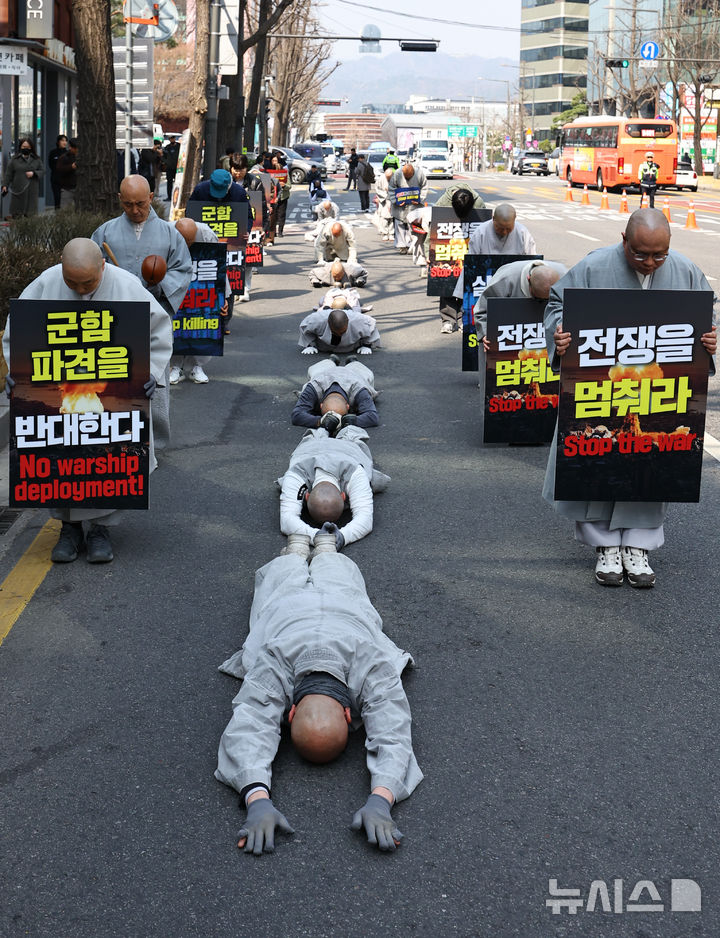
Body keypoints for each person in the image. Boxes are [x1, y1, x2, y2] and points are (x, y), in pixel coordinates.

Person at [543, 209, 716, 588]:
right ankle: (605, 546)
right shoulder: (593, 266)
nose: (651, 263)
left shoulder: (686, 271)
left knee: (650, 463)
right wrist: (557, 336)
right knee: (599, 458)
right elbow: (556, 306)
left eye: (660, 255)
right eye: (640, 254)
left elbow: (704, 319)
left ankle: (639, 547)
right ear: (624, 239)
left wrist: (708, 343)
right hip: (603, 384)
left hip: (656, 388)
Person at [215, 549, 422, 854]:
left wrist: (257, 796)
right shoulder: (371, 665)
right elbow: (393, 732)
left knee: (293, 569)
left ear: (293, 710)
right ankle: (317, 549)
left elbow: (251, 725)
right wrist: (381, 796)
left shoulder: (275, 662)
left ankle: (302, 550)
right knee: (330, 566)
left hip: (304, 610)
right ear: (348, 714)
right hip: (322, 608)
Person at [4, 238, 172, 563]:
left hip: (107, 395)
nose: (81, 292)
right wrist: (19, 372)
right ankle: (68, 528)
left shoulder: (127, 286)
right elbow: (17, 334)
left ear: (103, 267)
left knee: (105, 457)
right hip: (60, 393)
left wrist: (149, 372)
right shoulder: (44, 284)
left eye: (89, 283)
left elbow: (159, 331)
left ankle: (100, 529)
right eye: (72, 283)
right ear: (61, 269)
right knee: (60, 457)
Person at [91, 175, 192, 449]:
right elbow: (89, 270)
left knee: (153, 375)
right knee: (111, 376)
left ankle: (154, 441)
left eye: (140, 204)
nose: (135, 210)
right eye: (127, 205)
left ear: (151, 198)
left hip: (153, 316)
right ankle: (111, 434)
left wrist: (160, 284)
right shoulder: (105, 233)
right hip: (112, 317)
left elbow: (183, 270)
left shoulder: (170, 234)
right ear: (119, 201)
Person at [278, 424, 388, 547]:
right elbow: (364, 519)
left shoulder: (355, 473)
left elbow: (288, 521)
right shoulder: (296, 474)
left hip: (336, 449)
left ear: (307, 496)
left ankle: (326, 428)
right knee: (352, 438)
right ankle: (341, 427)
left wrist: (317, 536)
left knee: (328, 437)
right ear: (344, 496)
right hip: (330, 448)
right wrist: (339, 537)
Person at [168, 216, 230, 385]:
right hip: (175, 283)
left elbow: (219, 266)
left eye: (190, 240)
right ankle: (176, 366)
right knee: (175, 323)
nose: (186, 244)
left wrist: (222, 298)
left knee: (204, 320)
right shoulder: (164, 233)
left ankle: (198, 366)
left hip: (202, 281)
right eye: (182, 240)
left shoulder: (207, 235)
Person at [452, 203, 538, 305]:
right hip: (485, 278)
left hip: (514, 279)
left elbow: (532, 260)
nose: (505, 232)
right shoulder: (481, 232)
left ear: (515, 220)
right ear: (493, 219)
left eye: (508, 228)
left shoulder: (522, 232)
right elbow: (471, 263)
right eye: (500, 228)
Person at [430, 185, 486, 334]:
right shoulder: (442, 204)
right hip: (447, 250)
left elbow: (485, 228)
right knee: (446, 283)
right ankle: (448, 320)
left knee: (467, 286)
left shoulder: (479, 203)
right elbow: (432, 229)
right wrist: (429, 254)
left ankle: (464, 318)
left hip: (469, 250)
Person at [474, 258, 567, 347]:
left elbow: (574, 310)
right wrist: (485, 333)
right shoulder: (507, 279)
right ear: (528, 279)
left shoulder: (565, 277)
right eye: (538, 299)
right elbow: (482, 310)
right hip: (510, 334)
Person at [291, 358, 379, 429]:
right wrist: (320, 421)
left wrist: (348, 421)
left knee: (366, 374)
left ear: (348, 406)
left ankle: (353, 361)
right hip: (324, 373)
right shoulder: (314, 386)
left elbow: (372, 417)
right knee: (316, 369)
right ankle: (331, 360)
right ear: (320, 405)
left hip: (354, 374)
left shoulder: (359, 389)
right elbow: (297, 415)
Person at [230, 154, 268, 301]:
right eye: (236, 169)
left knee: (248, 259)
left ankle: (245, 289)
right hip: (231, 225)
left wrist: (262, 227)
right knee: (231, 259)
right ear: (231, 168)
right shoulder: (227, 181)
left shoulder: (254, 182)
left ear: (246, 168)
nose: (238, 173)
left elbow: (261, 206)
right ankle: (233, 287)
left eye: (242, 169)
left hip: (250, 225)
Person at [299, 302, 380, 355]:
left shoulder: (359, 320)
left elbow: (371, 326)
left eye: (342, 332)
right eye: (335, 332)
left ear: (348, 321)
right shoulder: (317, 320)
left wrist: (367, 345)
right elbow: (305, 328)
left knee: (355, 310)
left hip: (352, 346)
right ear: (328, 322)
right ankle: (327, 309)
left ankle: (348, 309)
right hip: (323, 345)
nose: (339, 334)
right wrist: (309, 345)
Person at [388, 163, 428, 253]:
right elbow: (391, 188)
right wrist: (396, 200)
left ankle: (412, 245)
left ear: (413, 172)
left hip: (414, 205)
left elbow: (424, 187)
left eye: (409, 177)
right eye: (406, 177)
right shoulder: (397, 174)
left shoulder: (419, 174)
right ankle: (402, 246)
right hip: (400, 205)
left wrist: (420, 199)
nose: (407, 179)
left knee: (412, 226)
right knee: (400, 225)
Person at [1, 138, 44, 218]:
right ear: (20, 147)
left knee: (31, 215)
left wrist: (34, 173)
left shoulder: (36, 159)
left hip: (32, 190)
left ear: (31, 147)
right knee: (17, 214)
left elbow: (43, 171)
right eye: (23, 146)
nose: (25, 148)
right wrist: (5, 185)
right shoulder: (15, 159)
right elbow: (8, 173)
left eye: (28, 147)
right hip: (18, 190)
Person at [55, 138, 78, 209]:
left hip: (80, 188)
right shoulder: (64, 157)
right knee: (66, 210)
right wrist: (71, 167)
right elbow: (59, 169)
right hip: (67, 188)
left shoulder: (84, 156)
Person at [47, 134, 68, 211]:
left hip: (65, 180)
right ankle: (57, 213)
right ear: (58, 142)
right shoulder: (53, 152)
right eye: (62, 140)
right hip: (55, 179)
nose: (64, 142)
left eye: (65, 140)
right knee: (57, 197)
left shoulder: (67, 153)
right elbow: (50, 164)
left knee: (65, 198)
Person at [374, 168, 394, 241]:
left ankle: (391, 233)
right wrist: (384, 193)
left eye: (389, 177)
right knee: (384, 217)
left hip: (392, 199)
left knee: (392, 217)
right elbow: (377, 189)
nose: (388, 178)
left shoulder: (395, 178)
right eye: (387, 177)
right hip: (384, 200)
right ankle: (385, 233)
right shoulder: (381, 178)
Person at [163, 134, 180, 201]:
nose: (172, 139)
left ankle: (177, 197)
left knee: (178, 183)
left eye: (172, 138)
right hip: (169, 168)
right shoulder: (167, 147)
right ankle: (169, 197)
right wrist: (166, 162)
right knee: (169, 183)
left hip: (177, 168)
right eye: (170, 138)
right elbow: (163, 156)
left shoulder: (179, 146)